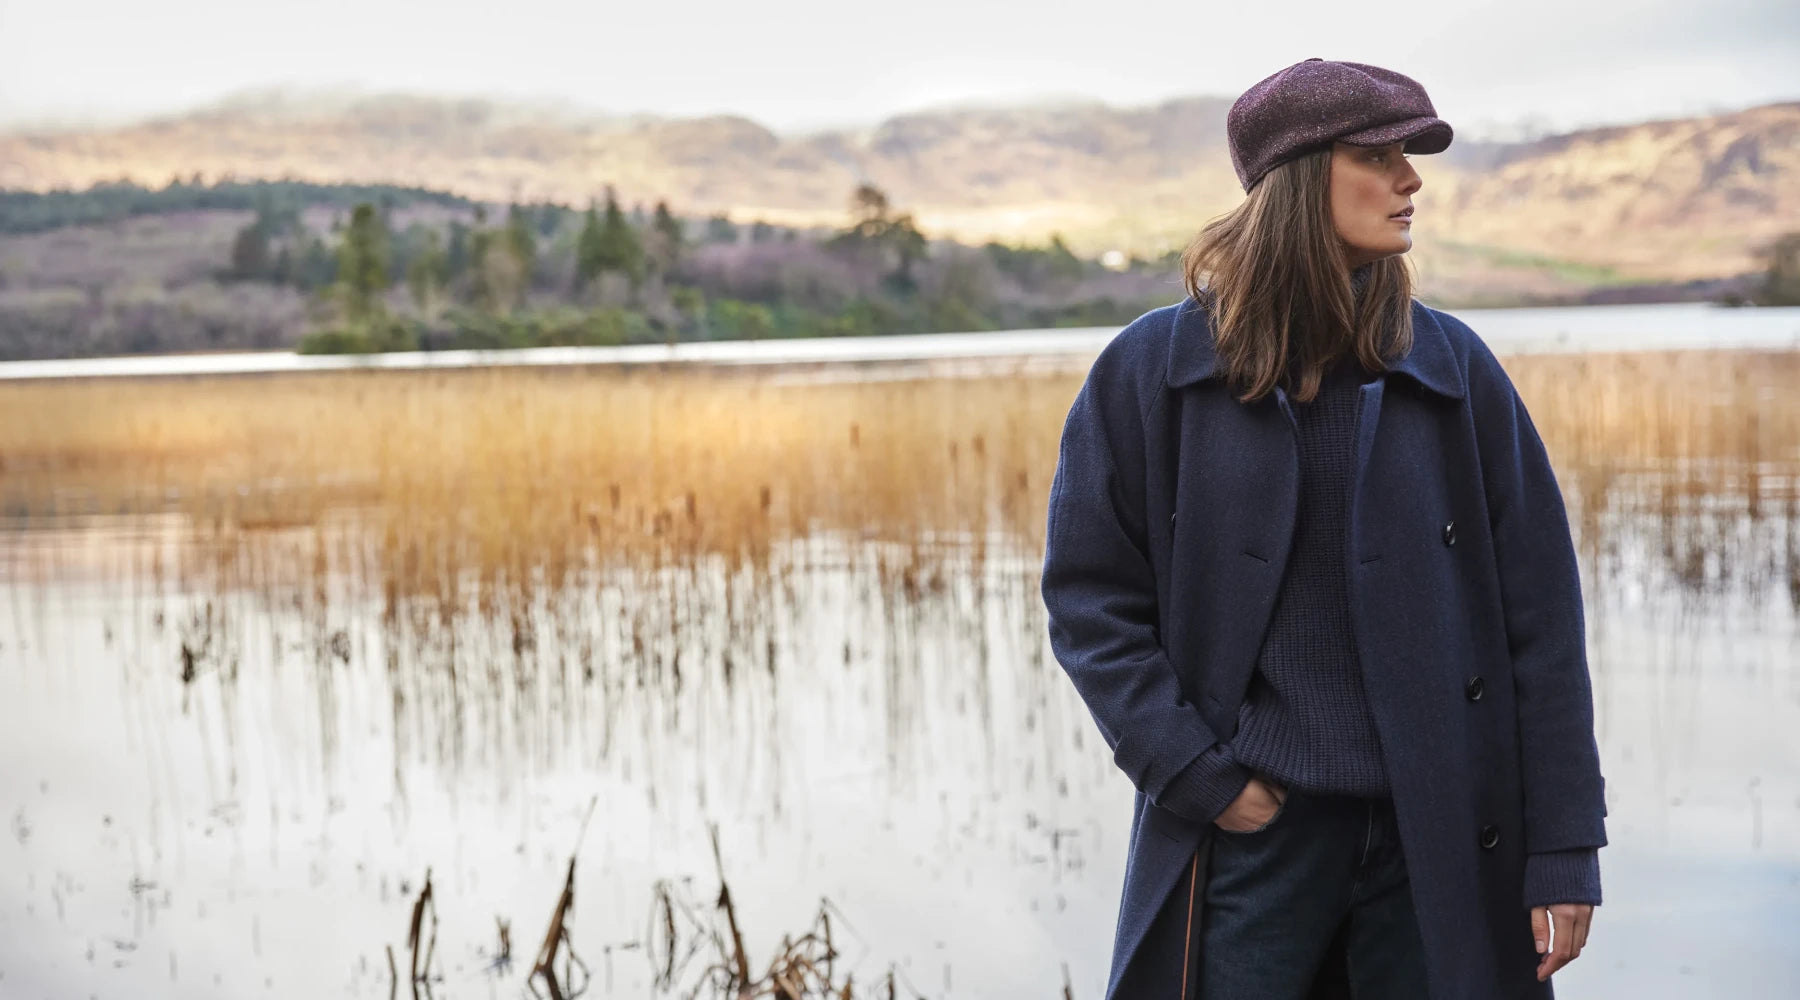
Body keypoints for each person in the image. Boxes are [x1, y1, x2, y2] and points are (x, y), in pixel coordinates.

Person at [1039, 58, 1608, 1000]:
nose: (1411, 179)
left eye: (1409, 157)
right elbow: (1089, 601)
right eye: (1379, 154)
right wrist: (1196, 775)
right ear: (1302, 178)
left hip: (1443, 840)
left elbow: (1543, 623)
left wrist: (1564, 844)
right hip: (1255, 837)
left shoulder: (1455, 371)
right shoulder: (1151, 374)